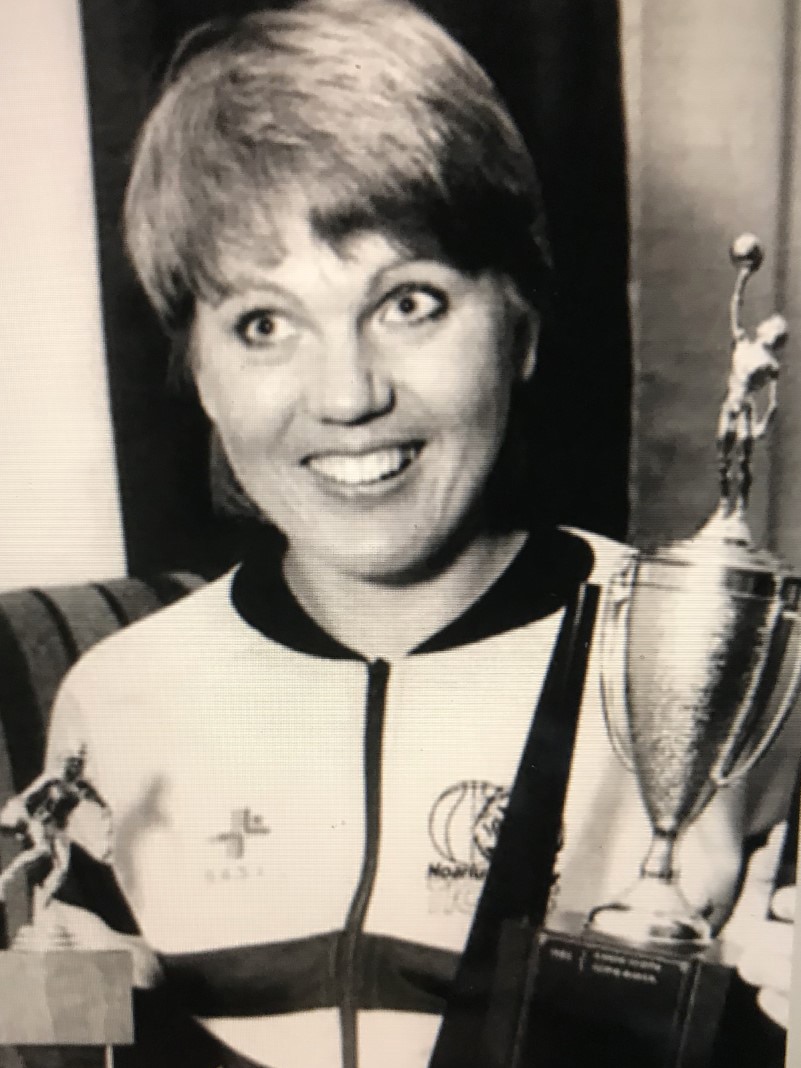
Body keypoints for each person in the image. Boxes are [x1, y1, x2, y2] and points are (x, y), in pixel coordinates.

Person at [23, 2, 796, 1066]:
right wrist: (51, 1017)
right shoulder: (110, 706)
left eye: (410, 303)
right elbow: (64, 1047)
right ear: (197, 368)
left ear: (519, 324)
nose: (345, 396)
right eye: (263, 324)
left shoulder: (739, 676)